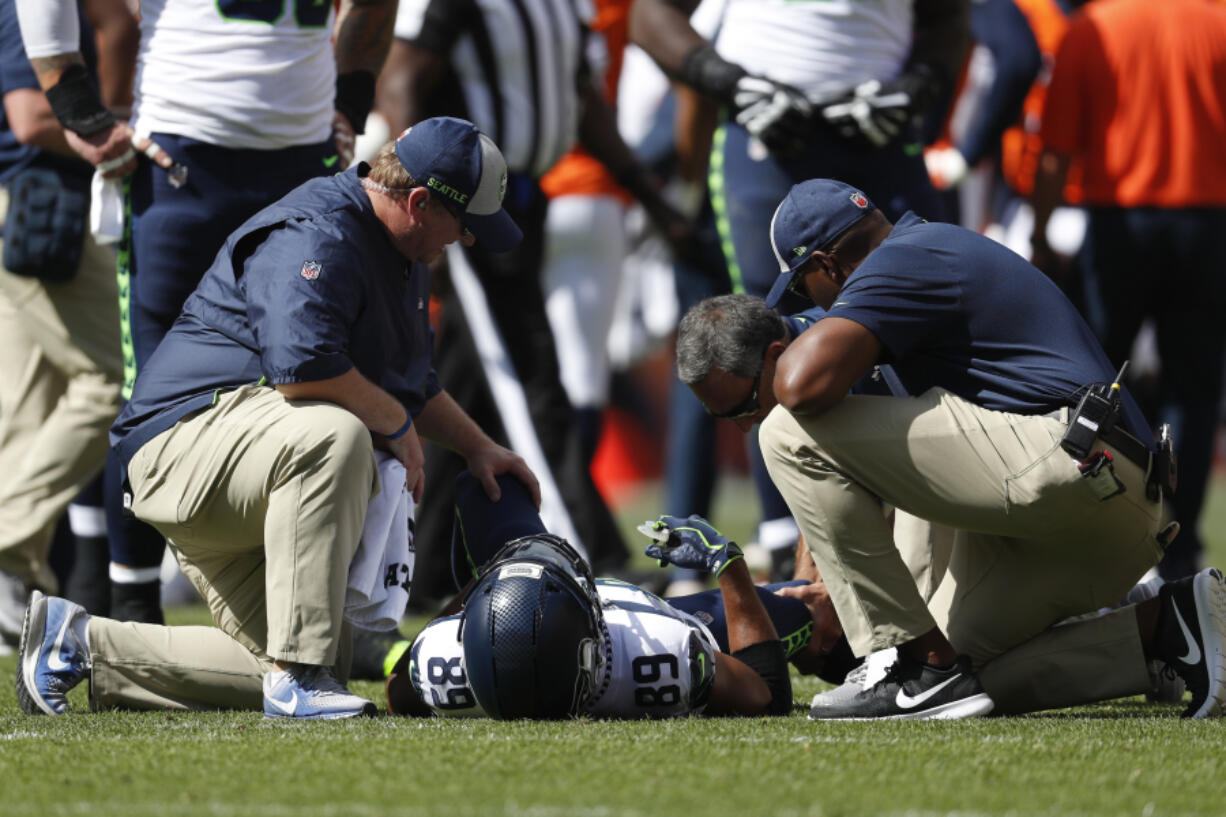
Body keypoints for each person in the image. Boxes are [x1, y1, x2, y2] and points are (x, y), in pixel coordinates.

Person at [15, 117, 539, 720]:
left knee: (321, 655)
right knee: (335, 436)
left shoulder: (404, 247)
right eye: (463, 226)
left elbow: (410, 384)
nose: (467, 241)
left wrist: (478, 448)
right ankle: (296, 678)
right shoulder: (318, 231)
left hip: (249, 459)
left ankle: (76, 643)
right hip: (183, 443)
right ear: (418, 202)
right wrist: (393, 422)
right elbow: (301, 369)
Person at [675, 179, 1226, 720]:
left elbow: (797, 388)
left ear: (828, 264)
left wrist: (776, 385)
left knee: (785, 430)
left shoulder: (906, 258)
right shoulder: (904, 272)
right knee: (966, 673)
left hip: (1078, 468)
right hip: (1097, 507)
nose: (743, 425)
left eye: (739, 407)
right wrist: (818, 586)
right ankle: (1161, 628)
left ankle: (916, 663)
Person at [16, 0, 398, 624]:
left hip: (275, 161)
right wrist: (80, 113)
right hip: (187, 158)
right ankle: (133, 606)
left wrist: (348, 102)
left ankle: (304, 608)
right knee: (154, 403)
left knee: (308, 391)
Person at [629, 0, 971, 572]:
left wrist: (918, 85)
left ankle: (945, 537)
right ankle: (792, 551)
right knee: (771, 346)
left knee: (930, 322)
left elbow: (948, 20)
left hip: (880, 137)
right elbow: (649, 17)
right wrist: (729, 83)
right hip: (767, 142)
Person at [381, 0, 695, 600]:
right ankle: (587, 550)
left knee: (469, 378)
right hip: (464, 206)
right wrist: (420, 210)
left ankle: (426, 569)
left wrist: (650, 199)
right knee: (529, 377)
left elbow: (580, 101)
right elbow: (402, 80)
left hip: (525, 199)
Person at [1029, 0, 1226, 583]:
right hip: (1207, 223)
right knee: (1194, 390)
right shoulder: (1217, 19)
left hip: (1118, 222)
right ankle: (1179, 548)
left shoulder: (1094, 26)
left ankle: (1097, 530)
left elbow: (1056, 145)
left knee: (1092, 381)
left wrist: (1041, 234)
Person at [385, 473, 806, 719]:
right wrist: (725, 562)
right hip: (655, 618)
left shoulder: (445, 664)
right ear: (594, 641)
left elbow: (396, 691)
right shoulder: (659, 656)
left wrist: (486, 589)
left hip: (516, 611)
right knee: (809, 611)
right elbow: (766, 694)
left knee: (490, 480)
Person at [0, 0, 130, 646]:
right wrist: (123, 133)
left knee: (26, 409)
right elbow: (28, 119)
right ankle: (4, 541)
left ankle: (9, 586)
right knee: (109, 383)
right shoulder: (35, 10)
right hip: (42, 208)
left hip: (35, 209)